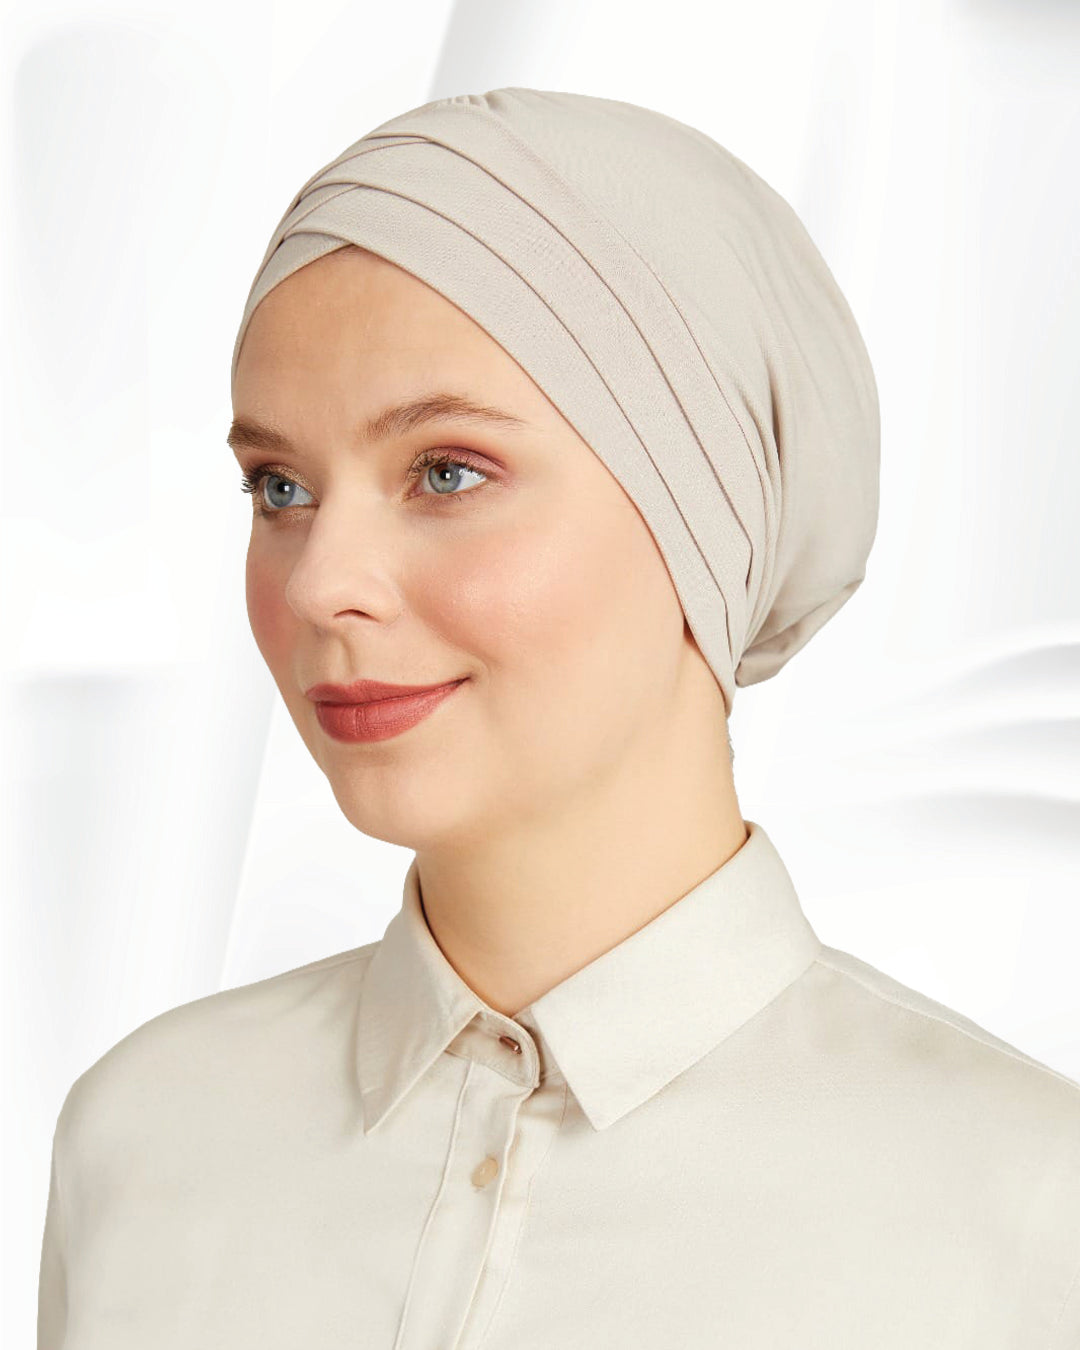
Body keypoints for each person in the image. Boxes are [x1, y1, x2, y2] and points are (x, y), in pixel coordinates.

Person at [38, 87, 1080, 1348]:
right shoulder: (146, 1140)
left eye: (447, 471)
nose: (318, 585)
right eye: (280, 488)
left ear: (710, 519)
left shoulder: (1022, 1214)